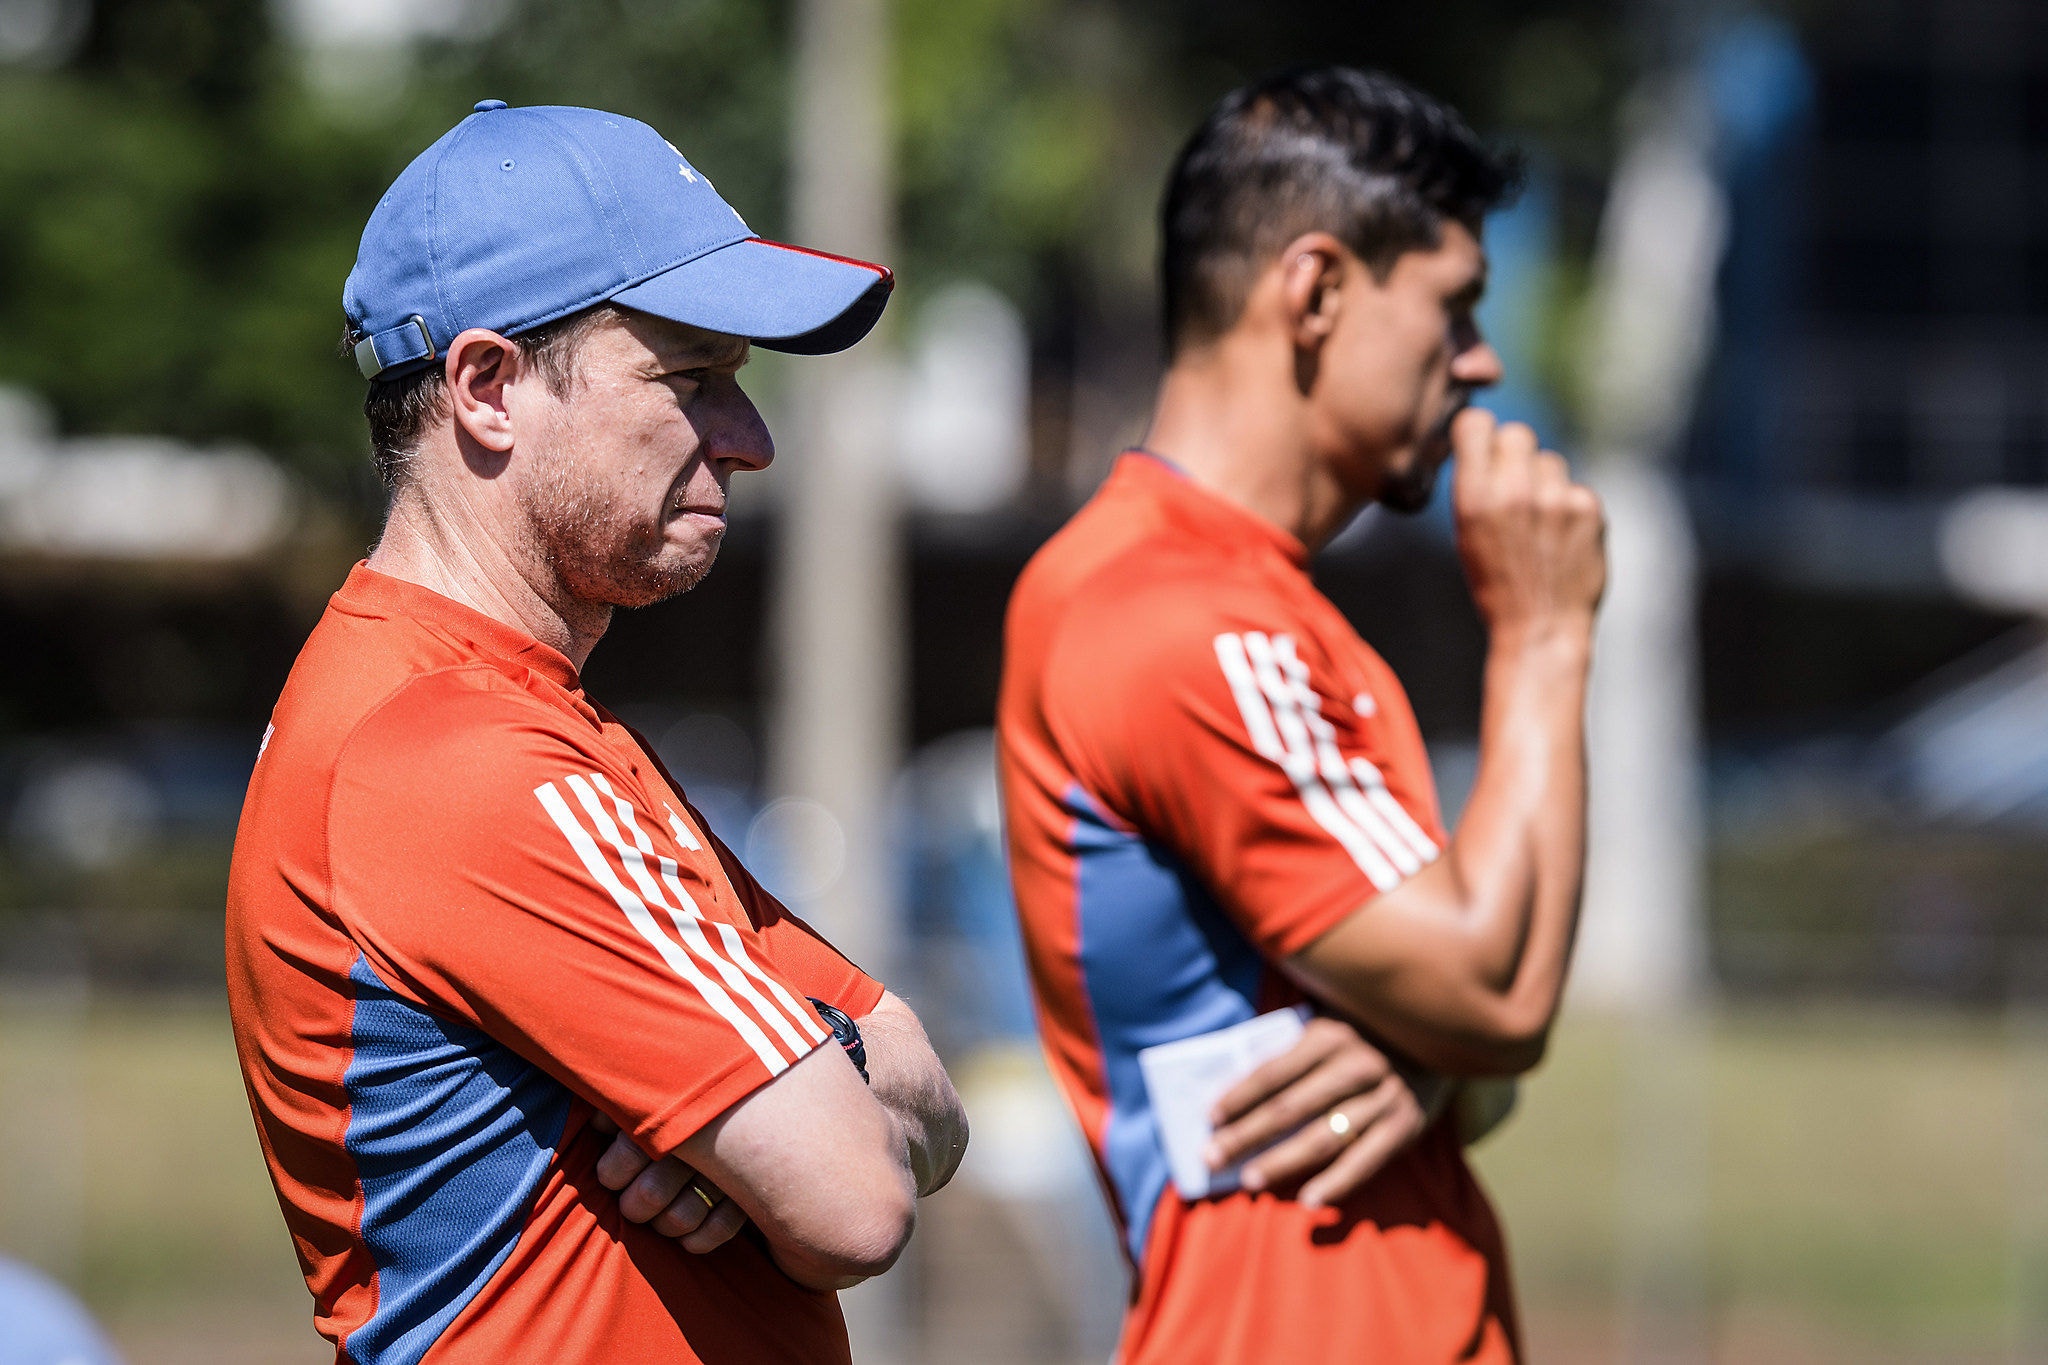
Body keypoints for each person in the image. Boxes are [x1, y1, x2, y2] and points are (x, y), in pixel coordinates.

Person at [225, 100, 967, 1365]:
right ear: (488, 387)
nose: (751, 444)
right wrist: (796, 1106)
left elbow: (924, 1090)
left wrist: (800, 1082)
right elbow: (858, 1200)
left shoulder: (532, 721)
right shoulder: (449, 752)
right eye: (688, 380)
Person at [997, 67, 1606, 1363]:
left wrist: (1429, 1057)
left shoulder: (1256, 607)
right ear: (1317, 291)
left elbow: (1468, 1012)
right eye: (1454, 309)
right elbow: (1492, 982)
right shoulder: (1170, 611)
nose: (1483, 362)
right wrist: (1547, 635)